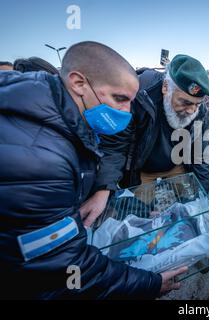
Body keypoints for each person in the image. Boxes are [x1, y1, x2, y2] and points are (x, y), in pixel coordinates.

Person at [0, 41, 186, 299]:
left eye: (131, 101)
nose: (127, 112)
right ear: (78, 83)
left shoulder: (52, 112)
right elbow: (65, 270)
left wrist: (116, 198)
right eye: (119, 99)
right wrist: (150, 283)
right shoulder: (41, 160)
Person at [102, 54, 209, 195]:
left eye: (197, 104)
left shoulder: (201, 112)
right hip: (143, 171)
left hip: (178, 167)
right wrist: (104, 188)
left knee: (188, 203)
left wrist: (202, 196)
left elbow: (200, 155)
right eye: (185, 102)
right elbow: (115, 145)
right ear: (166, 87)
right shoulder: (139, 95)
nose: (192, 111)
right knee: (142, 211)